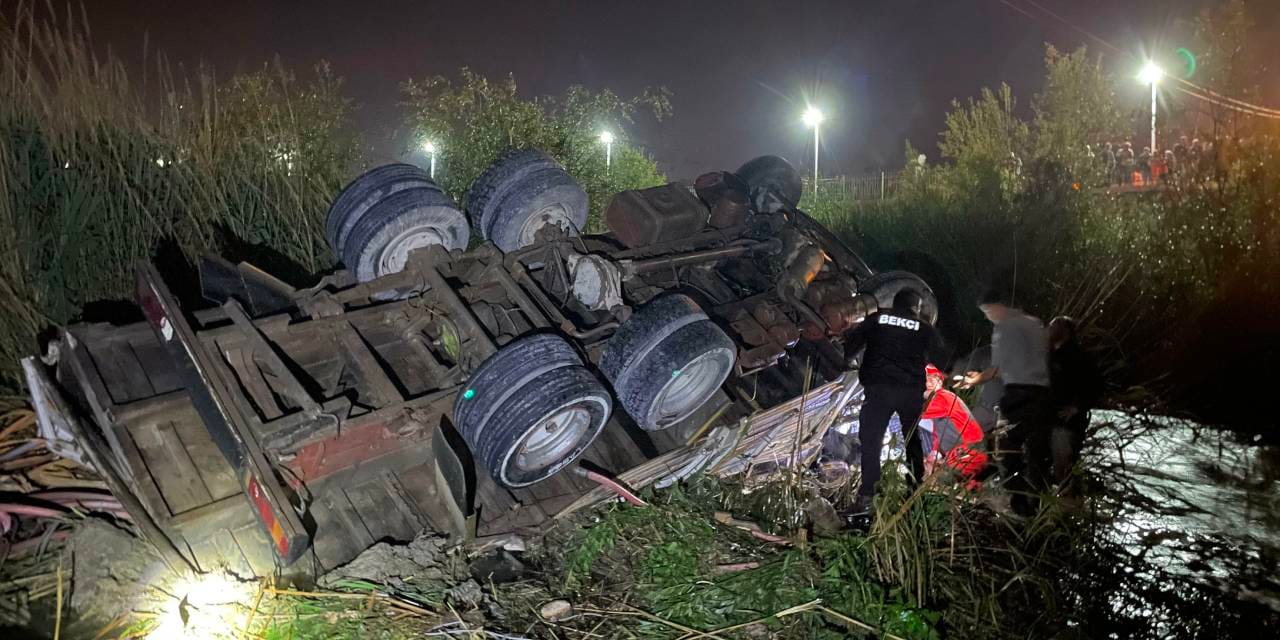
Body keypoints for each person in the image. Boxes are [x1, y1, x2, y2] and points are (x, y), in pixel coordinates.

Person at [844, 289, 947, 512]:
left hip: (878, 390)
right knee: (912, 441)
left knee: (871, 441)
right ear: (916, 307)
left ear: (895, 302)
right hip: (909, 393)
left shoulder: (877, 318)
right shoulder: (924, 327)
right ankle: (914, 491)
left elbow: (850, 347)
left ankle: (868, 493)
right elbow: (941, 358)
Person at [958, 289, 1052, 516]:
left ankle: (1019, 505)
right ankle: (1037, 503)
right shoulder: (1035, 324)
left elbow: (999, 368)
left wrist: (973, 380)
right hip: (1042, 395)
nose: (986, 317)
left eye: (986, 311)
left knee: (1006, 450)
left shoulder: (1004, 327)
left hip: (1018, 395)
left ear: (997, 306)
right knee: (1036, 451)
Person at [1047, 316, 1102, 487]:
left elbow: (1096, 387)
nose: (1050, 329)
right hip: (1046, 420)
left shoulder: (1080, 357)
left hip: (1067, 424)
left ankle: (1068, 505)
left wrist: (1076, 408)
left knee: (1064, 468)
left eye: (1055, 326)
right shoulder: (1048, 355)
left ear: (1066, 331)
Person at [920, 365, 988, 481]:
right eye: (927, 378)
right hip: (960, 455)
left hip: (968, 455)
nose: (929, 382)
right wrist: (934, 456)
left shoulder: (943, 397)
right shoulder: (939, 406)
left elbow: (915, 412)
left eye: (933, 378)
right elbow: (938, 438)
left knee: (932, 481)